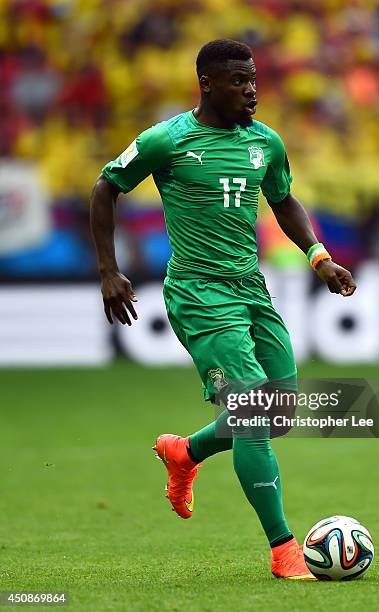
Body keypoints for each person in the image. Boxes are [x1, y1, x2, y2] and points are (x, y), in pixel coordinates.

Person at [90, 39, 356, 580]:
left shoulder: (266, 143)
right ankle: (284, 551)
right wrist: (108, 271)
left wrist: (319, 256)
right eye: (239, 81)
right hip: (200, 294)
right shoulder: (167, 140)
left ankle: (185, 452)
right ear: (207, 84)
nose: (251, 91)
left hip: (250, 288)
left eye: (254, 80)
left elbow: (283, 199)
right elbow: (105, 187)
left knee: (276, 408)